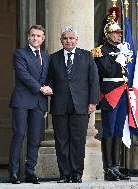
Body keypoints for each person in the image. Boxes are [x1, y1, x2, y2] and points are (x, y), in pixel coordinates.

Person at [47, 26, 100, 183]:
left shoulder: (86, 56)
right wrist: (48, 87)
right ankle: (64, 174)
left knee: (78, 141)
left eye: (71, 38)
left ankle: (76, 173)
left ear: (76, 40)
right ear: (61, 40)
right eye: (65, 38)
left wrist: (93, 102)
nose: (68, 40)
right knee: (61, 141)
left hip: (81, 105)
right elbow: (49, 78)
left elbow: (93, 80)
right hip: (59, 105)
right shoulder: (53, 58)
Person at [8, 25, 52, 184]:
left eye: (39, 36)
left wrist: (46, 104)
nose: (35, 38)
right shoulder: (20, 53)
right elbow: (23, 75)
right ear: (28, 37)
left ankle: (30, 172)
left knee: (35, 138)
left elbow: (47, 79)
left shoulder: (47, 57)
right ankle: (13, 172)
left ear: (43, 39)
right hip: (22, 101)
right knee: (19, 135)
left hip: (39, 103)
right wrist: (41, 88)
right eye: (33, 35)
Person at [91, 7, 131, 181]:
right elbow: (106, 70)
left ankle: (115, 166)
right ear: (107, 34)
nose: (119, 36)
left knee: (118, 130)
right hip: (109, 94)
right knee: (108, 130)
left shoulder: (121, 49)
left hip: (122, 93)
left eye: (120, 33)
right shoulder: (101, 51)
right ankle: (108, 169)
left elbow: (125, 74)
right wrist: (119, 60)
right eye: (115, 33)